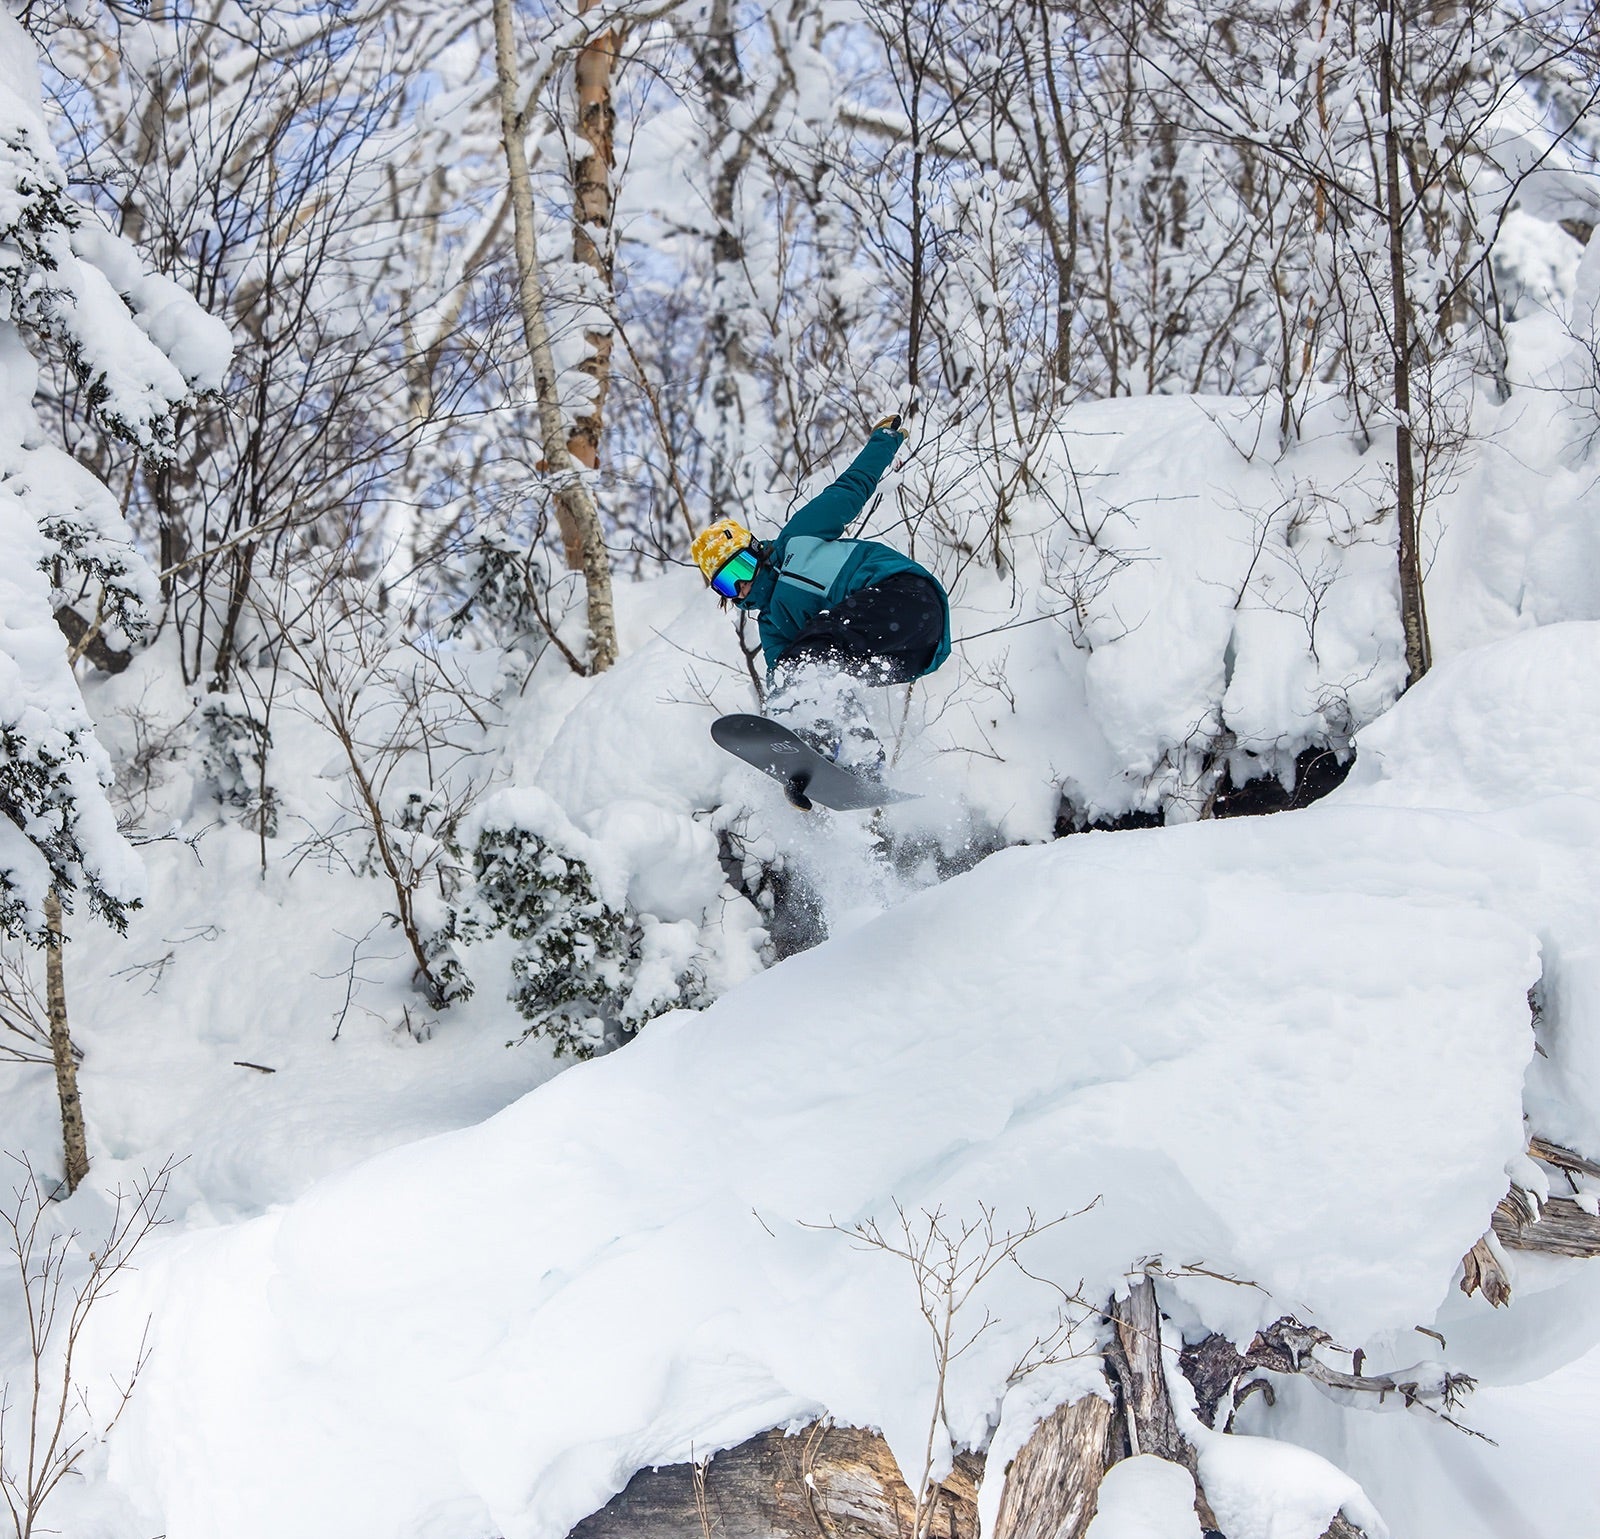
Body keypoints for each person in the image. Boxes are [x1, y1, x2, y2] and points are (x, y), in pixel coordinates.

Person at [692, 416, 950, 770]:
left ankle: (833, 744)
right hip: (907, 653)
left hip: (904, 598)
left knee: (809, 656)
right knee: (811, 679)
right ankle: (856, 761)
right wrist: (795, 766)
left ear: (756, 551)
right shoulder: (773, 628)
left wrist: (884, 441)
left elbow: (850, 488)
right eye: (726, 585)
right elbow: (791, 685)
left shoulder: (798, 537)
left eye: (739, 569)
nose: (741, 587)